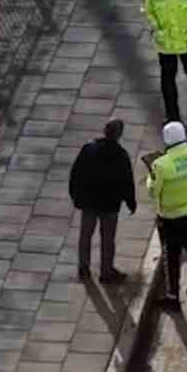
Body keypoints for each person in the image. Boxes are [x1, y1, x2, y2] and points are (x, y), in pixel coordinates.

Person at [146, 120, 187, 306]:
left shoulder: (160, 165)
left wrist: (151, 176)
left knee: (171, 255)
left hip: (171, 218)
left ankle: (172, 296)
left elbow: (152, 192)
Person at [68, 119, 136, 284]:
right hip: (109, 205)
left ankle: (83, 268)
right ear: (119, 134)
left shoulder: (89, 149)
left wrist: (76, 196)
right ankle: (106, 273)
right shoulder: (121, 155)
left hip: (89, 202)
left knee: (85, 236)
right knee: (107, 239)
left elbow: (76, 174)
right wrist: (130, 201)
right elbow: (127, 181)